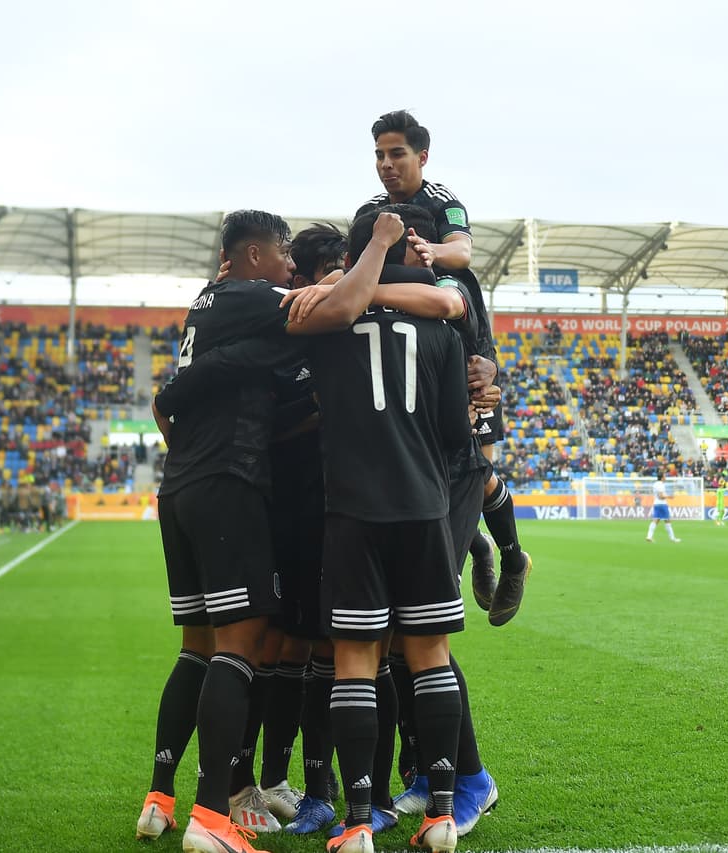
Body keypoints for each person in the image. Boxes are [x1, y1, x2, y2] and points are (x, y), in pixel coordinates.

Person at [136, 209, 402, 853]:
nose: (289, 266)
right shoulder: (250, 295)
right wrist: (382, 246)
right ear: (254, 256)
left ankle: (161, 798)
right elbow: (340, 310)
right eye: (282, 254)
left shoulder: (211, 304)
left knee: (198, 648)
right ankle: (213, 817)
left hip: (184, 485)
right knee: (240, 644)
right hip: (230, 484)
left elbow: (170, 399)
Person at [306, 208, 471, 853]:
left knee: (354, 663)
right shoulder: (443, 334)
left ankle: (355, 824)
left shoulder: (326, 320)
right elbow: (459, 436)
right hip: (422, 507)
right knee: (429, 658)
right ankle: (439, 816)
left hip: (351, 509)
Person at [355, 110, 529, 626]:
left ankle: (513, 556)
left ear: (421, 157)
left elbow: (463, 249)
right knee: (430, 470)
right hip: (409, 352)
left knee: (473, 469)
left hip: (464, 343)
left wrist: (432, 250)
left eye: (396, 154)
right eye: (379, 156)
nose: (386, 165)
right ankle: (477, 548)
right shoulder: (369, 211)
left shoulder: (442, 201)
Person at [646, 472, 680, 543]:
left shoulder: (655, 484)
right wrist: (669, 497)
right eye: (665, 476)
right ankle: (672, 538)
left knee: (655, 520)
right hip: (662, 504)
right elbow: (661, 496)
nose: (665, 478)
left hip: (656, 504)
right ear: (662, 477)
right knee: (667, 521)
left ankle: (649, 536)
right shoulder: (661, 485)